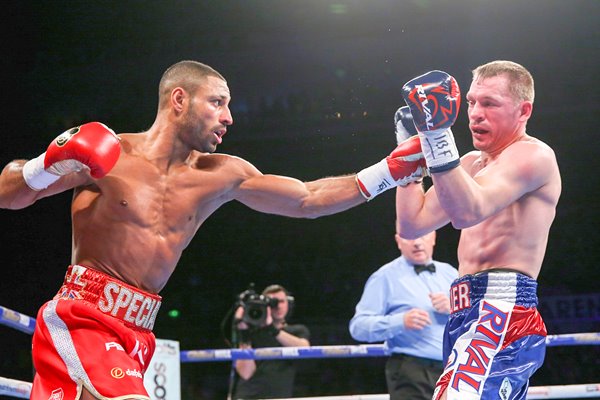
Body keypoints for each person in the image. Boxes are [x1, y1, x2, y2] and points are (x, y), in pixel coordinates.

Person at [0, 60, 427, 400]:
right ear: (179, 99)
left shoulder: (222, 174)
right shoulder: (111, 155)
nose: (229, 117)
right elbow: (10, 193)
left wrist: (388, 171)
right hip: (85, 317)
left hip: (137, 331)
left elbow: (307, 199)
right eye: (217, 103)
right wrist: (47, 160)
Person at [395, 60, 562, 400]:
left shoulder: (534, 155)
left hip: (502, 309)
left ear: (523, 110)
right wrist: (411, 160)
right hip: (462, 313)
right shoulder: (469, 163)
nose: (474, 113)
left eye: (489, 103)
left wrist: (436, 136)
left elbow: (469, 211)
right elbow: (412, 224)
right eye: (471, 102)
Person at [349, 229, 457, 400]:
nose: (417, 242)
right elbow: (358, 327)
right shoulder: (384, 276)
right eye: (410, 236)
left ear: (433, 237)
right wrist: (400, 321)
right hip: (411, 370)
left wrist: (455, 309)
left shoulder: (450, 273)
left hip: (453, 370)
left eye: (423, 235)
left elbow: (476, 320)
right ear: (398, 241)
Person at [232, 284, 309, 399]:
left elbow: (305, 349)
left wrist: (271, 329)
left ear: (289, 304)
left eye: (281, 301)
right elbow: (245, 373)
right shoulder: (252, 333)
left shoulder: (297, 331)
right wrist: (243, 333)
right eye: (272, 302)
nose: (278, 306)